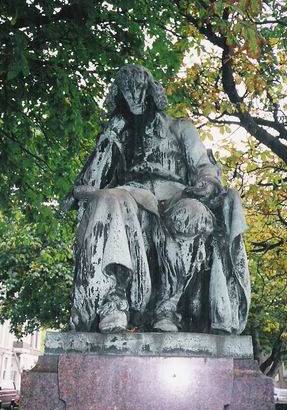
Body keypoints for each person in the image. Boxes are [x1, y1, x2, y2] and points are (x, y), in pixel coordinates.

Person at [63, 64, 250, 334]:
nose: (135, 101)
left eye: (139, 92)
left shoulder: (180, 127)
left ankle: (168, 307)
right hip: (134, 196)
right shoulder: (120, 137)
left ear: (151, 94)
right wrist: (110, 135)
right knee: (108, 200)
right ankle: (113, 302)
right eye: (126, 97)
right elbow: (90, 183)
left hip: (177, 196)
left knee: (192, 214)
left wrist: (206, 184)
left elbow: (204, 168)